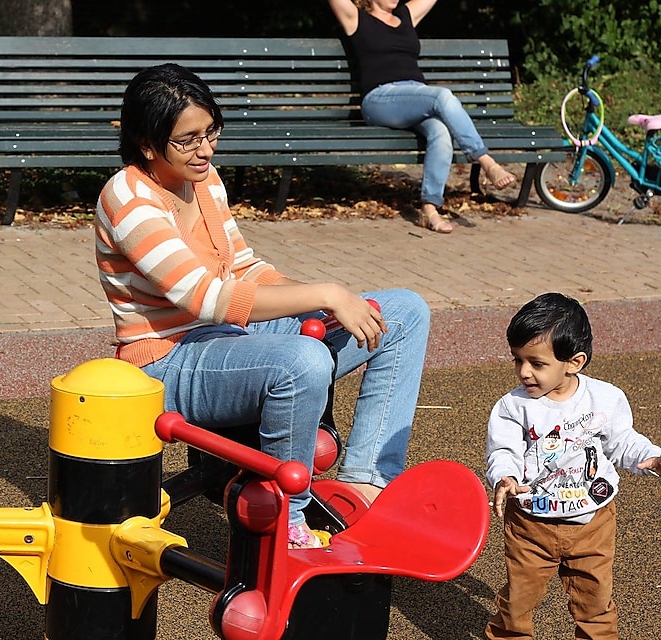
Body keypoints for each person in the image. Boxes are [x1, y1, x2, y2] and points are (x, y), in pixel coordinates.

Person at [94, 62, 430, 549]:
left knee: (403, 311)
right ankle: (286, 518)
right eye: (188, 140)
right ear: (148, 145)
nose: (205, 149)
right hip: (166, 362)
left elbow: (246, 270)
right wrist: (324, 294)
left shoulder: (204, 182)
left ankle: (367, 480)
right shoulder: (128, 197)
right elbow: (206, 298)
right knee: (303, 360)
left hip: (230, 342)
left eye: (211, 132)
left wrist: (324, 306)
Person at [484, 292, 661, 639]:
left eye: (536, 363)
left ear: (574, 362)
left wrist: (653, 457)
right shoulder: (512, 407)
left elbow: (622, 441)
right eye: (517, 360)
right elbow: (502, 450)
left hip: (592, 521)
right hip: (530, 525)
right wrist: (504, 477)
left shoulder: (605, 399)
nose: (524, 372)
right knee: (517, 604)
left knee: (596, 605)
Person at [327, 0, 517, 234]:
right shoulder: (356, 18)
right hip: (380, 99)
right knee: (442, 96)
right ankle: (487, 163)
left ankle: (430, 209)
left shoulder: (406, 16)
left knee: (441, 133)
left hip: (416, 98)